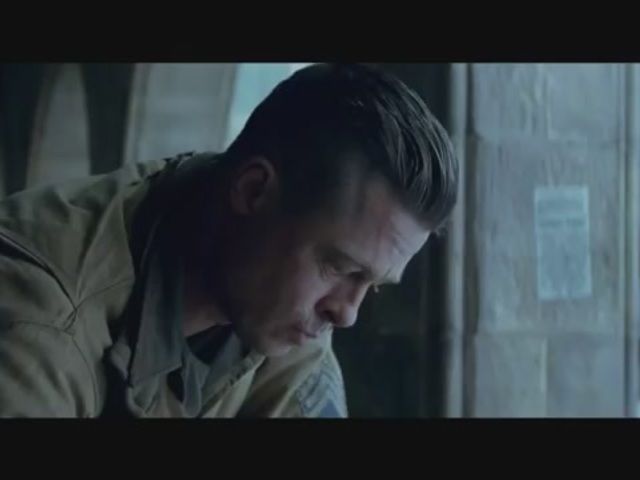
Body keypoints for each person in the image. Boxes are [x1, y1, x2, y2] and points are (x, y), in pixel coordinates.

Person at [0, 63, 458, 417]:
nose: (347, 313)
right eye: (339, 266)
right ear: (253, 190)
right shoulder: (42, 325)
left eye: (372, 284)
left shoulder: (280, 313)